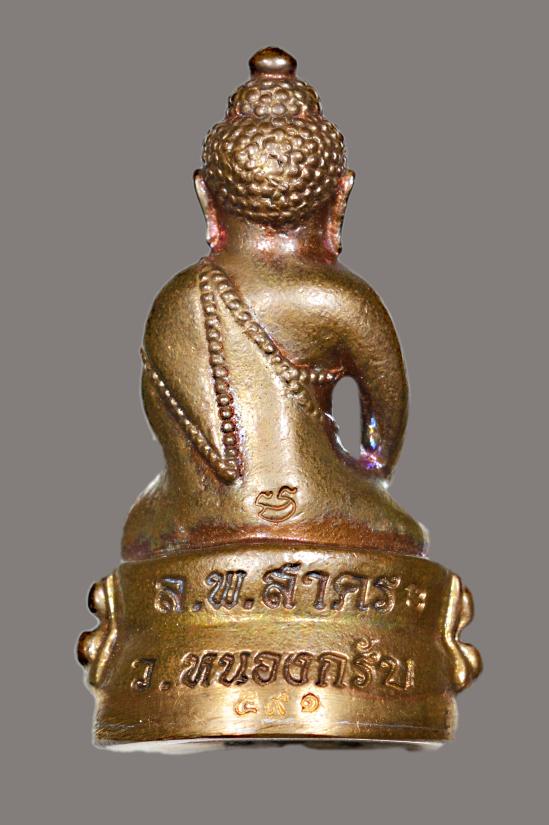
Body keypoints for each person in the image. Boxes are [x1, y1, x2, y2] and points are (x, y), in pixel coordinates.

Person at [122, 48, 427, 560]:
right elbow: (383, 436)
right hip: (320, 509)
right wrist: (365, 478)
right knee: (392, 528)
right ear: (340, 199)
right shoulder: (342, 299)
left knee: (147, 529)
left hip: (188, 520)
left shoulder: (175, 300)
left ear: (206, 199)